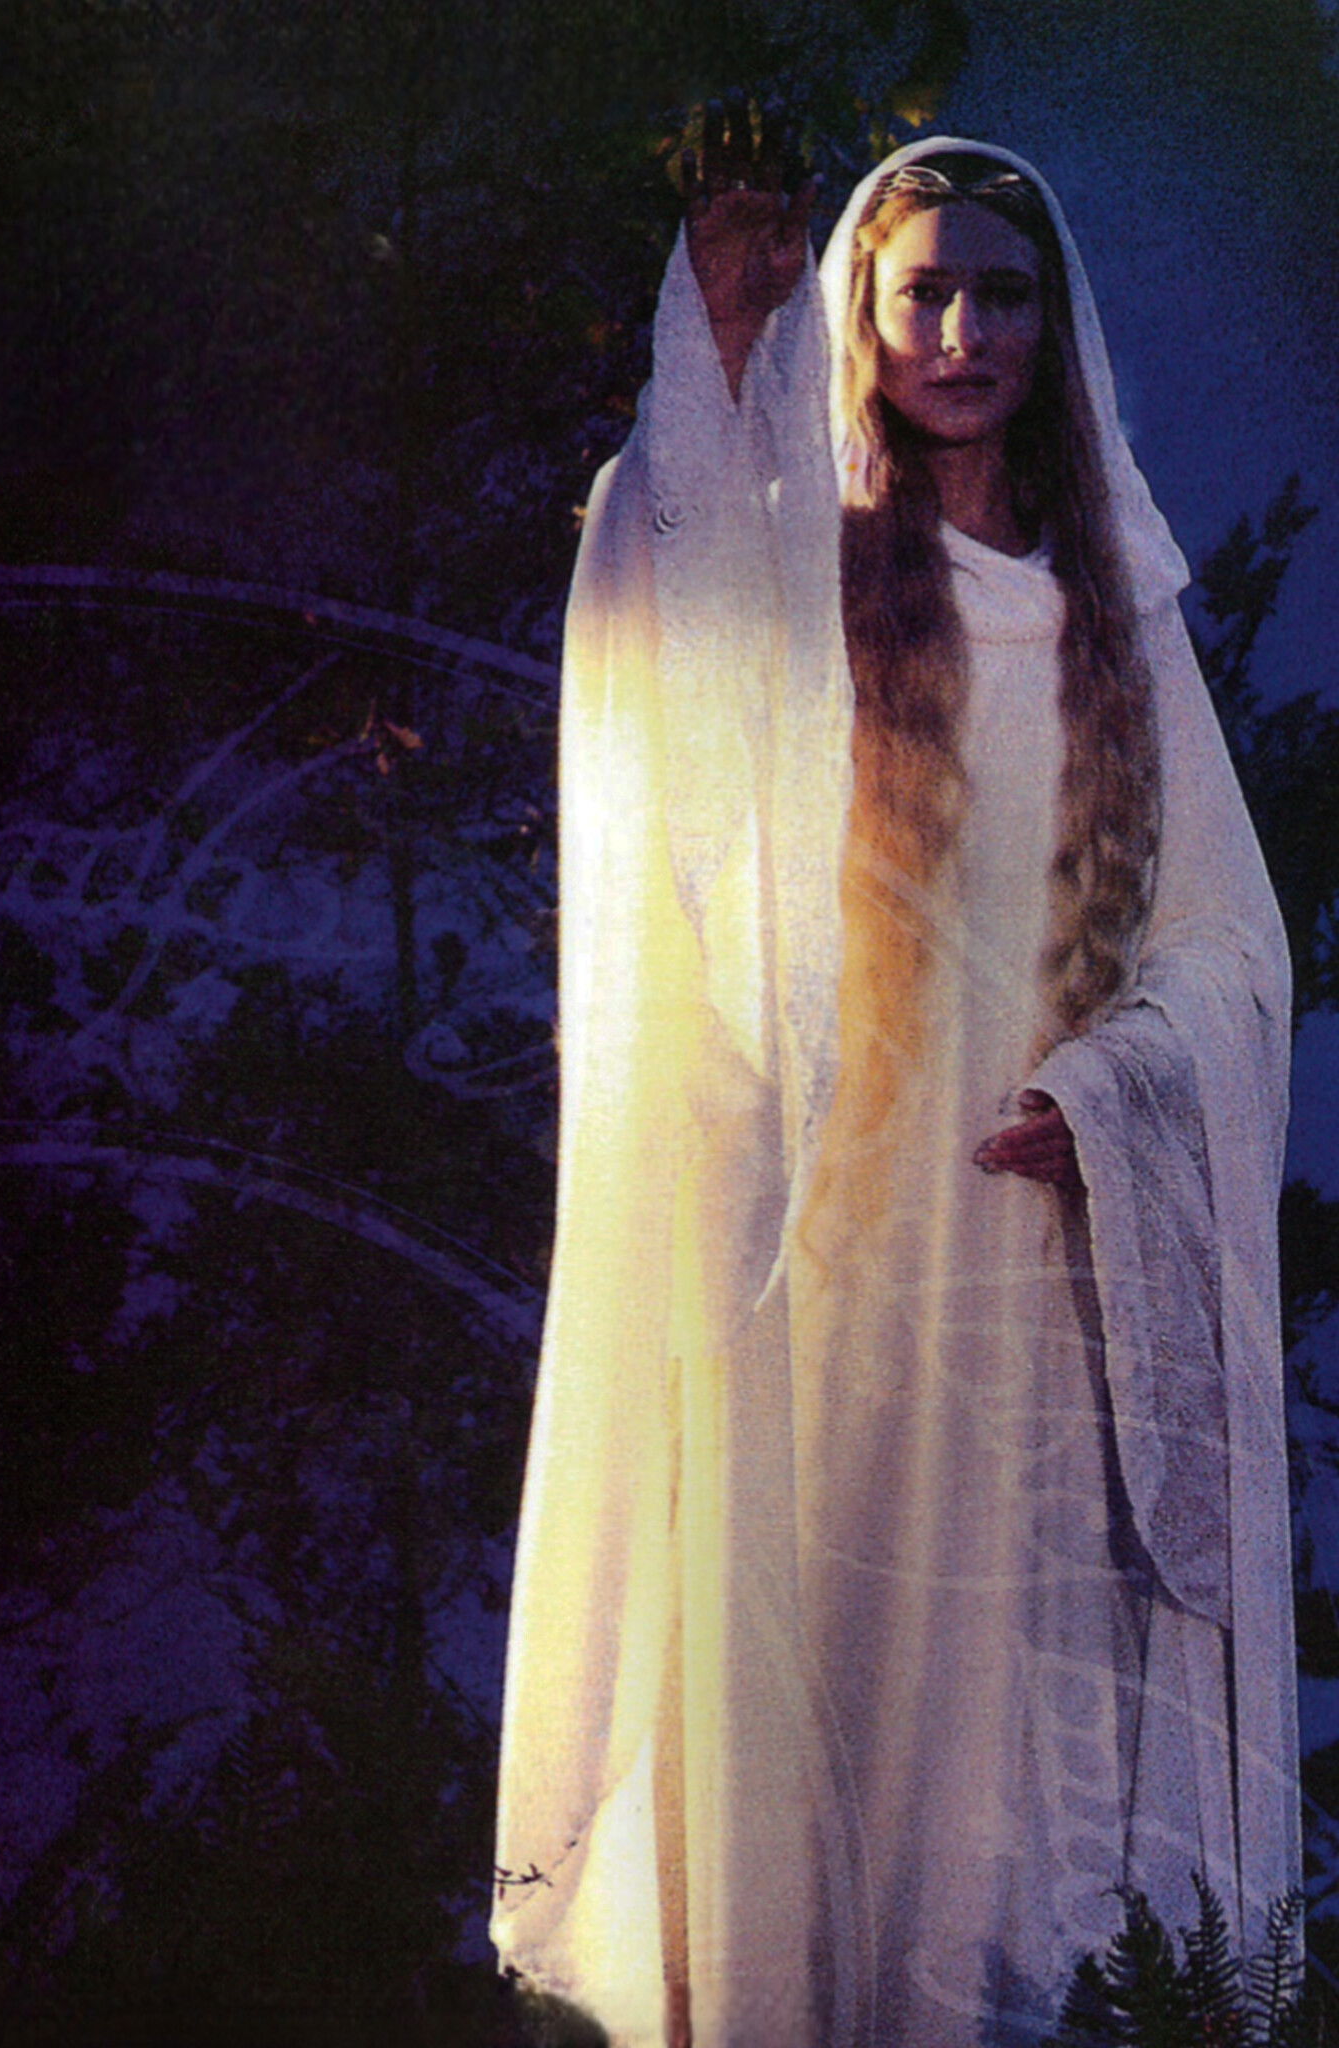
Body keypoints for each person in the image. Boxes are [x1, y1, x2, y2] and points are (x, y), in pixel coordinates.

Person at [492, 123, 1300, 2048]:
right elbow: (668, 627)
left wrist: (1121, 1086)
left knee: (1012, 1692)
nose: (962, 334)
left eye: (1000, 296)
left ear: (1054, 325)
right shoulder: (810, 574)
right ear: (864, 314)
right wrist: (716, 352)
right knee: (820, 1645)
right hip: (831, 1248)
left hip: (1036, 1247)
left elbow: (1234, 948)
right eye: (923, 293)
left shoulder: (1118, 614)